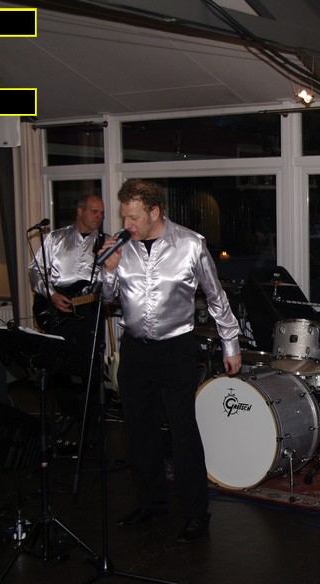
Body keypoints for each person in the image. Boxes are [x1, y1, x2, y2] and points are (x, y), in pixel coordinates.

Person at [97, 178, 241, 543]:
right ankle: (151, 504)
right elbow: (107, 298)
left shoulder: (190, 244)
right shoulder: (121, 246)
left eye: (133, 217)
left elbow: (216, 295)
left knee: (182, 432)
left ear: (154, 211)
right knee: (139, 430)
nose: (126, 224)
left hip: (176, 349)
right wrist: (109, 268)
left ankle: (196, 513)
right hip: (135, 349)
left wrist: (230, 344)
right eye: (124, 216)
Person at [27, 194, 107, 422]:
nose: (99, 216)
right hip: (57, 306)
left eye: (102, 213)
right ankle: (69, 412)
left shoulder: (105, 242)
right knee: (57, 362)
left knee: (90, 362)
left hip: (88, 309)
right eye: (94, 211)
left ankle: (92, 416)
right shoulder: (55, 238)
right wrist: (51, 295)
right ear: (80, 211)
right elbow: (35, 269)